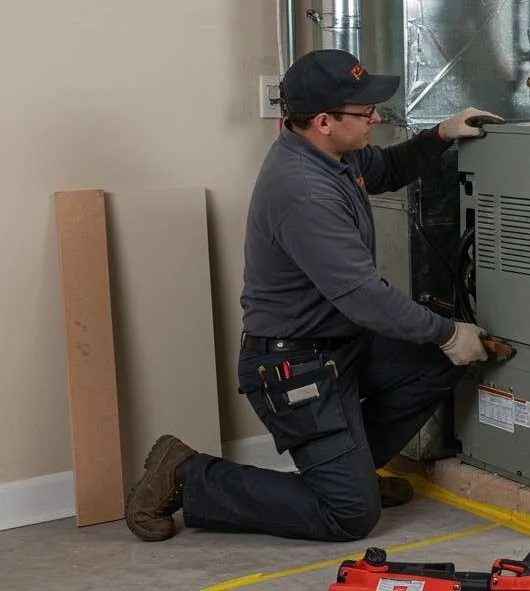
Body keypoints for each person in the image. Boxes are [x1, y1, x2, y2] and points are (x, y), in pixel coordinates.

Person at [123, 49, 505, 542]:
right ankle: (186, 473)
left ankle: (352, 469)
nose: (375, 118)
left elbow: (386, 170)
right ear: (324, 121)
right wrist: (449, 333)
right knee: (349, 516)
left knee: (436, 360)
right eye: (364, 112)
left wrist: (440, 135)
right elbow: (364, 296)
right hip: (294, 366)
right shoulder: (303, 189)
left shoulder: (333, 155)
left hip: (343, 345)